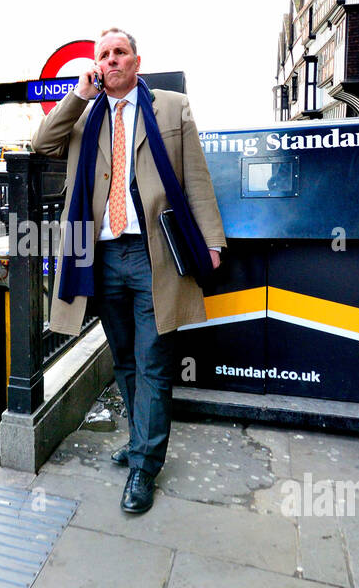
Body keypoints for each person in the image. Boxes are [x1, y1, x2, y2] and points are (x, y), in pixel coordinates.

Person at [32, 28, 225, 514]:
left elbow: (196, 175)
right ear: (95, 65)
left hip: (153, 253)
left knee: (154, 361)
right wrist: (79, 94)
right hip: (98, 255)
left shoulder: (170, 106)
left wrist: (212, 240)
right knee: (123, 359)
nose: (111, 60)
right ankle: (142, 440)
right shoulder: (84, 114)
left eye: (120, 53)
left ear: (136, 61)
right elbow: (41, 143)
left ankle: (145, 465)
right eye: (104, 55)